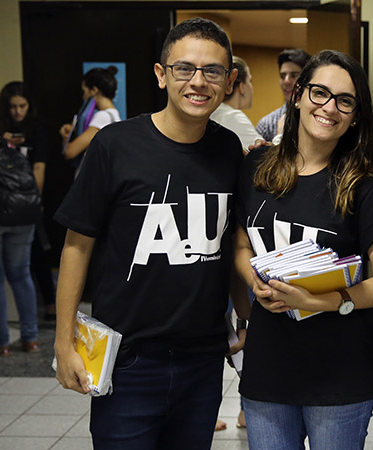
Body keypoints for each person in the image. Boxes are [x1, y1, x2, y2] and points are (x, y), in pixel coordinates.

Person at [53, 17, 244, 450]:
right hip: (128, 360)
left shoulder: (228, 149)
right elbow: (76, 246)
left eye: (212, 71)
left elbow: (229, 243)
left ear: (229, 80)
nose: (198, 82)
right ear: (162, 75)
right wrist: (64, 342)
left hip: (202, 358)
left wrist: (245, 318)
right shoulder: (115, 145)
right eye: (184, 69)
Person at [233, 49, 373, 450]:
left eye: (345, 101)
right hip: (267, 367)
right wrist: (251, 280)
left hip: (339, 374)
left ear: (356, 115)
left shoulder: (362, 187)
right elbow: (240, 241)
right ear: (297, 95)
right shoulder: (255, 166)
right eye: (319, 93)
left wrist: (322, 301)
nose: (329, 107)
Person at [0, 81, 43, 355]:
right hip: (25, 213)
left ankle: (1, 342)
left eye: (22, 106)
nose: (18, 111)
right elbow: (38, 171)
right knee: (21, 276)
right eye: (13, 106)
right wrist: (33, 205)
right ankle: (30, 338)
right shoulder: (35, 132)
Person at [59, 65, 121, 173]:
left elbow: (69, 152)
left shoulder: (102, 117)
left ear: (94, 90)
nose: (83, 97)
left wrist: (65, 138)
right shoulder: (114, 114)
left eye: (84, 91)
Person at [255, 48, 311, 144]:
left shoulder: (317, 119)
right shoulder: (266, 124)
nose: (286, 81)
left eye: (294, 75)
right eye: (282, 76)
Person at [210, 55, 262, 153]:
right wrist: (280, 134)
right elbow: (266, 158)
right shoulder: (234, 118)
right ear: (242, 87)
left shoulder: (212, 113)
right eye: (249, 80)